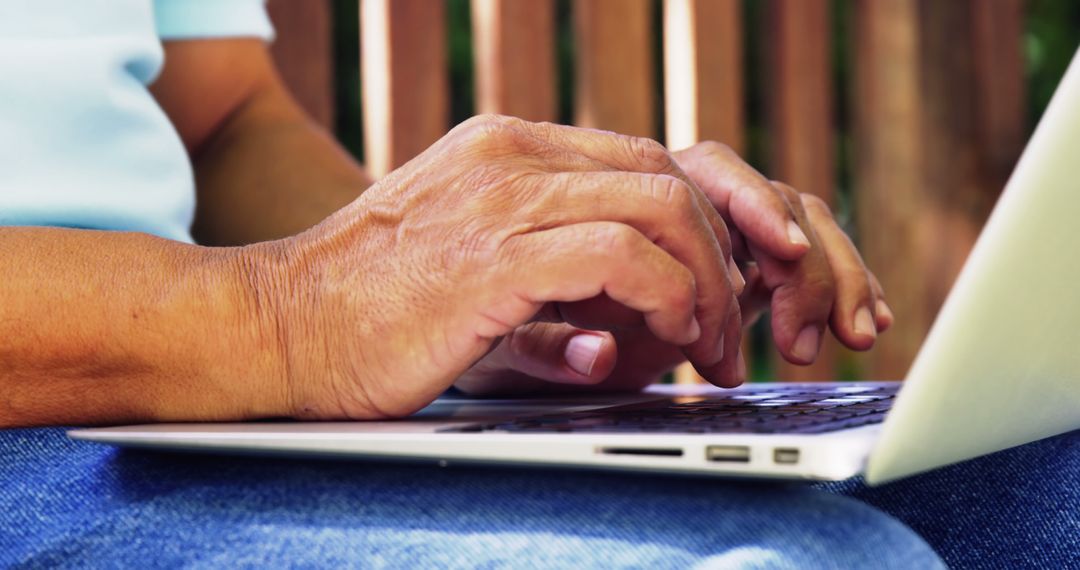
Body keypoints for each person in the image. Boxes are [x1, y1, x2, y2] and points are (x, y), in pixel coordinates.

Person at [2, 2, 1075, 568]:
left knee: (1053, 489)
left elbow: (226, 118)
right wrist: (286, 314)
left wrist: (472, 291)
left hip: (196, 400)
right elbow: (280, 304)